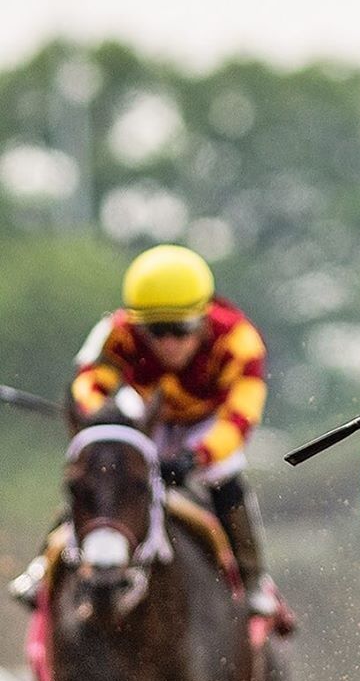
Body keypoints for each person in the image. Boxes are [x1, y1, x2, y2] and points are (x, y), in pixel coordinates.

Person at [9, 244, 288, 622]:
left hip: (204, 426)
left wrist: (195, 457)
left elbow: (238, 420)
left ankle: (253, 578)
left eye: (180, 329)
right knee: (99, 473)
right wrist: (101, 421)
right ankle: (44, 564)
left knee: (226, 480)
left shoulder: (240, 342)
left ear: (203, 320)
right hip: (142, 419)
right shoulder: (117, 331)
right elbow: (89, 381)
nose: (168, 343)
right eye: (156, 330)